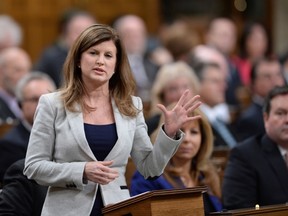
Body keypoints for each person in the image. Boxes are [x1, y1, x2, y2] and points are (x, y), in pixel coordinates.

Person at [24, 24, 202, 216]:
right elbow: (34, 167)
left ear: (116, 65)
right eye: (93, 53)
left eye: (108, 55)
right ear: (78, 60)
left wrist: (169, 132)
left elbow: (150, 168)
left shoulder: (131, 106)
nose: (100, 61)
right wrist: (81, 170)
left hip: (117, 209)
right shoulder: (52, 104)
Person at [131, 107, 222, 213]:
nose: (187, 139)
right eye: (180, 131)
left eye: (194, 132)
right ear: (165, 135)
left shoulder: (208, 175)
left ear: (203, 138)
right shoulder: (148, 176)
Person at [222, 85, 288, 210]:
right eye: (280, 113)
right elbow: (238, 209)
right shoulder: (244, 155)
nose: (287, 120)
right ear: (266, 118)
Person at [0, 72, 56, 185]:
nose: (42, 104)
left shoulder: (65, 133)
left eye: (47, 98)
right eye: (35, 99)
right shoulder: (11, 144)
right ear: (20, 104)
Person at [34, 8, 96, 88]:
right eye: (78, 31)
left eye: (90, 32)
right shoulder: (51, 57)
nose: (84, 37)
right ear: (65, 33)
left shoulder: (100, 57)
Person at [113, 14, 159, 109]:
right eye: (129, 34)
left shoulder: (155, 64)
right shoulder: (112, 66)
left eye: (139, 33)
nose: (135, 38)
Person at [234, 57, 285, 141]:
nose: (275, 81)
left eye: (278, 75)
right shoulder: (249, 120)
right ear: (253, 83)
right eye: (267, 77)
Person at [146, 61, 200, 135]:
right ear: (162, 95)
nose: (181, 93)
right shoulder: (151, 126)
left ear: (194, 89)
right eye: (173, 89)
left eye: (185, 87)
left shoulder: (203, 119)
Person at [0, 47, 32, 122]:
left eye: (27, 70)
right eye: (18, 70)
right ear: (1, 72)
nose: (25, 76)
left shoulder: (27, 100)